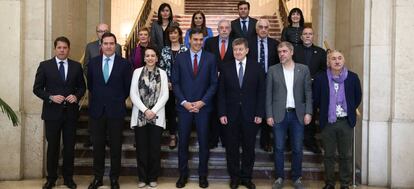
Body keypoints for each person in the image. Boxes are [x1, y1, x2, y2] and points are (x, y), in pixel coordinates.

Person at [33, 36, 86, 189]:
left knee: (69, 147)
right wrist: (50, 97)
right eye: (59, 47)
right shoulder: (45, 66)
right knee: (53, 147)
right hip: (52, 114)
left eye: (65, 48)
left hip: (70, 114)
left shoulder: (76, 66)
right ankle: (51, 178)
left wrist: (76, 96)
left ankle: (68, 178)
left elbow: (82, 87)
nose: (62, 50)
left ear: (69, 49)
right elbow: (36, 89)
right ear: (55, 49)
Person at [171, 28, 218, 188]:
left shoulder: (211, 58)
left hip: (203, 108)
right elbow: (175, 82)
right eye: (195, 39)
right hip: (184, 108)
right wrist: (184, 102)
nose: (198, 42)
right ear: (189, 40)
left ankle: (202, 176)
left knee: (204, 144)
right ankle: (183, 175)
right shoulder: (180, 58)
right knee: (183, 143)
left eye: (201, 40)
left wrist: (201, 102)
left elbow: (213, 84)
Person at [217, 38, 265, 189]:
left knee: (249, 148)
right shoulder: (225, 67)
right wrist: (222, 113)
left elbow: (261, 92)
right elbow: (221, 93)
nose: (238, 52)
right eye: (235, 49)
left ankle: (246, 177)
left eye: (240, 49)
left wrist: (259, 113)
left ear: (247, 50)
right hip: (230, 115)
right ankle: (235, 177)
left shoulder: (257, 67)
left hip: (250, 115)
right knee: (231, 148)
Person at [86, 32, 132, 189]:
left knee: (115, 146)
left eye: (111, 43)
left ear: (116, 45)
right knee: (97, 146)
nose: (108, 46)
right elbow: (91, 85)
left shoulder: (124, 64)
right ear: (101, 45)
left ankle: (114, 178)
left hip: (116, 111)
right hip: (97, 111)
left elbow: (127, 88)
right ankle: (98, 178)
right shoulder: (92, 63)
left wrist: (116, 99)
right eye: (105, 43)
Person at [266, 42, 312, 189]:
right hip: (279, 114)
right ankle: (279, 177)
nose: (282, 54)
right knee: (278, 147)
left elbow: (308, 93)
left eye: (285, 51)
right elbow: (268, 95)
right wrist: (269, 114)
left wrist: (308, 112)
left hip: (297, 114)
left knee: (297, 148)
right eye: (279, 52)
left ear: (291, 52)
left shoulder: (303, 69)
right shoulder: (273, 70)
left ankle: (297, 178)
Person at [313, 50, 362, 189]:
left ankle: (345, 183)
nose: (337, 61)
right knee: (328, 154)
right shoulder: (321, 78)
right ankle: (329, 183)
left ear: (343, 60)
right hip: (328, 122)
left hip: (346, 122)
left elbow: (357, 98)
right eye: (333, 58)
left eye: (340, 58)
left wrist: (349, 109)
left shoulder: (352, 77)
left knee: (345, 155)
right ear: (329, 62)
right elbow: (316, 99)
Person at [130, 46, 169, 188]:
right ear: (144, 58)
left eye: (153, 55)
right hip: (140, 116)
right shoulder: (137, 72)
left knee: (154, 149)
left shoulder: (163, 74)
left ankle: (152, 177)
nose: (150, 58)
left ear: (157, 58)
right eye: (147, 55)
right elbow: (133, 94)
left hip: (157, 116)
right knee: (141, 149)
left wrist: (153, 111)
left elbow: (165, 95)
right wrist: (146, 110)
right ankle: (142, 178)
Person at [83, 23, 122, 148]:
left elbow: (119, 66)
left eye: (105, 30)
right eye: (100, 31)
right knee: (94, 112)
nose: (102, 33)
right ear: (96, 32)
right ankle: (92, 136)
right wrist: (93, 83)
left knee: (110, 114)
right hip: (95, 87)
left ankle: (110, 137)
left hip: (112, 89)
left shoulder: (117, 47)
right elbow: (86, 66)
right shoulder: (90, 47)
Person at [247, 18, 280, 152]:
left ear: (269, 29)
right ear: (256, 29)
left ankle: (265, 141)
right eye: (261, 27)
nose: (263, 29)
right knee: (251, 109)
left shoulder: (275, 44)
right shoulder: (248, 43)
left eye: (266, 27)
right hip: (251, 81)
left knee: (267, 111)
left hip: (270, 81)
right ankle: (248, 140)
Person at [293, 27, 327, 154]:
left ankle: (310, 141)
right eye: (305, 34)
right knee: (295, 114)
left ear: (313, 36)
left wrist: (313, 79)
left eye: (310, 34)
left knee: (310, 116)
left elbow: (324, 70)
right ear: (301, 37)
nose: (307, 36)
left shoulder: (321, 52)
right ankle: (293, 141)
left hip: (314, 89)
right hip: (297, 88)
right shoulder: (294, 51)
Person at [204, 19, 234, 149]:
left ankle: (227, 139)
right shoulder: (209, 42)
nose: (224, 30)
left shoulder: (235, 43)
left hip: (230, 84)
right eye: (221, 27)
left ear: (230, 29)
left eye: (227, 28)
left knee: (228, 112)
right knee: (213, 112)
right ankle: (213, 139)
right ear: (217, 29)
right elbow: (205, 60)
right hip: (212, 83)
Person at [159, 24, 188, 149]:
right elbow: (161, 68)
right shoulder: (164, 50)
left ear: (179, 34)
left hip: (183, 86)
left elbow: (188, 69)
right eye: (170, 33)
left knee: (182, 111)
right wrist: (167, 82)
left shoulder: (185, 49)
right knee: (170, 111)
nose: (173, 35)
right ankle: (172, 136)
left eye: (175, 33)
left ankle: (183, 135)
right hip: (168, 86)